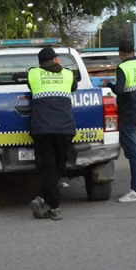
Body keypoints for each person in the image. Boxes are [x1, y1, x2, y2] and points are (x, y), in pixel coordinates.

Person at [27, 47, 78, 221]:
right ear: (56, 60)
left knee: (47, 166)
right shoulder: (68, 74)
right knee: (59, 165)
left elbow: (30, 86)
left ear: (40, 63)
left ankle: (42, 198)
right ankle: (53, 206)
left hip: (42, 128)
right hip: (64, 126)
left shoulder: (33, 74)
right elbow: (73, 87)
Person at [106, 40, 136, 203]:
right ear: (133, 51)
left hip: (129, 113)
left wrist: (108, 84)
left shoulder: (123, 67)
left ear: (120, 53)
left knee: (133, 153)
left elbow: (119, 89)